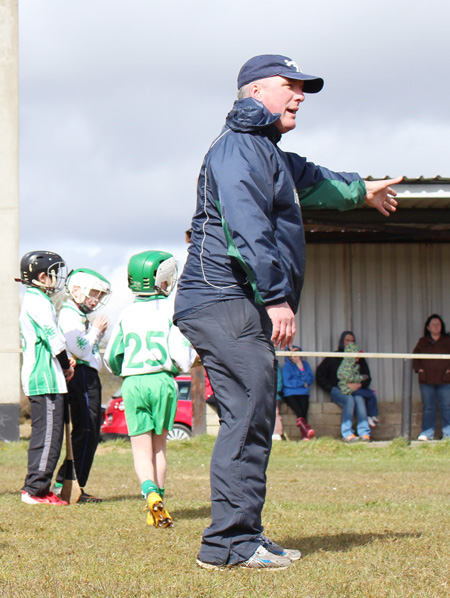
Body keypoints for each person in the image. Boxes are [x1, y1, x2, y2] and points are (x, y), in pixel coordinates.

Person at [174, 53, 401, 569]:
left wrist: (361, 190)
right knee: (250, 411)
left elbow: (315, 179)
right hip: (221, 297)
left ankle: (242, 536)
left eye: (304, 88)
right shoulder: (237, 149)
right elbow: (247, 224)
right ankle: (229, 545)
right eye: (290, 85)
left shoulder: (268, 153)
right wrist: (275, 296)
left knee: (253, 413)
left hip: (234, 301)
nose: (300, 95)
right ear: (256, 92)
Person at [104, 250, 196, 527]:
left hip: (133, 382)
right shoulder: (170, 311)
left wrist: (128, 371)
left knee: (140, 450)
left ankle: (150, 494)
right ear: (159, 280)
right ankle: (160, 502)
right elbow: (182, 357)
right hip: (162, 381)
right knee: (159, 448)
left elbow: (110, 358)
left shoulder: (126, 313)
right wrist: (184, 365)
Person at [16, 251, 74, 505]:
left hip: (46, 377)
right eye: (53, 274)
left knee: (48, 435)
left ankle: (38, 486)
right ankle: (35, 490)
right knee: (48, 436)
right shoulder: (37, 302)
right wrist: (65, 366)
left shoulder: (36, 299)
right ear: (42, 277)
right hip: (45, 379)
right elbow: (54, 340)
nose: (55, 279)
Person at [54, 268, 111, 502]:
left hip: (88, 375)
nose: (95, 299)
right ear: (77, 290)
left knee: (89, 430)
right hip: (81, 377)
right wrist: (96, 331)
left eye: (99, 295)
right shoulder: (69, 315)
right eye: (93, 293)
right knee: (86, 430)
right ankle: (70, 482)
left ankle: (71, 481)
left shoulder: (77, 315)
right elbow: (79, 348)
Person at [316, 331, 372, 442]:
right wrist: (331, 387)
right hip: (338, 390)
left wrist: (359, 384)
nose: (350, 343)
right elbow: (320, 375)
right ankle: (347, 434)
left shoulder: (358, 358)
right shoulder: (334, 357)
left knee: (359, 399)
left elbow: (367, 377)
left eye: (352, 340)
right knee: (349, 400)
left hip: (355, 390)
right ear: (342, 342)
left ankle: (364, 433)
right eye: (347, 340)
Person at [413, 314, 450, 441]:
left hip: (445, 380)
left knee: (445, 406)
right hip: (426, 380)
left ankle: (448, 434)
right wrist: (420, 370)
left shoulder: (447, 341)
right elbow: (415, 357)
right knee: (428, 407)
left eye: (438, 324)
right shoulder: (423, 342)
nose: (436, 326)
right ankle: (427, 433)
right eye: (433, 324)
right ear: (428, 327)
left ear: (442, 327)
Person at [337, 341, 379, 429]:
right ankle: (369, 416)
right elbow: (349, 377)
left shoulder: (354, 366)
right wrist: (361, 378)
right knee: (370, 395)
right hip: (348, 390)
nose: (357, 360)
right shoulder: (345, 367)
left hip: (354, 388)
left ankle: (372, 415)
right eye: (355, 358)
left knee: (370, 394)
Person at [281, 346, 315, 439]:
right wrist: (302, 383)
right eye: (294, 354)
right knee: (299, 412)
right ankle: (306, 434)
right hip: (290, 393)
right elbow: (287, 382)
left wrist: (301, 369)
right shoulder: (287, 366)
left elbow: (310, 379)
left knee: (303, 413)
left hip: (303, 393)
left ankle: (305, 435)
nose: (296, 356)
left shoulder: (305, 365)